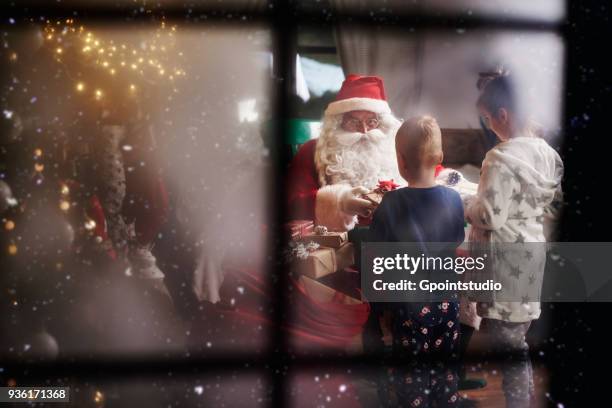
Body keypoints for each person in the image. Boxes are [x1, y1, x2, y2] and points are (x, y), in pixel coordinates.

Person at [464, 71, 564, 408]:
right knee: (516, 335)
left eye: (488, 119)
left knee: (510, 349)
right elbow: (555, 206)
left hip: (503, 264)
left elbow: (489, 215)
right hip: (530, 259)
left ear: (502, 115)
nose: (489, 125)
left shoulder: (499, 157)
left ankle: (519, 402)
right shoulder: (548, 155)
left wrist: (467, 205)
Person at [286, 74, 471, 232]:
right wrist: (341, 203)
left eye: (371, 121)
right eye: (353, 122)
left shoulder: (394, 142)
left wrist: (466, 194)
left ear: (381, 122)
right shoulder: (313, 150)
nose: (364, 131)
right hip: (345, 241)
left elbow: (432, 169)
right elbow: (293, 203)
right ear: (339, 122)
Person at [369, 116, 465, 407]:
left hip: (409, 304)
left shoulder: (391, 203)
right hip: (447, 300)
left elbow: (376, 260)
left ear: (400, 160)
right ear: (440, 157)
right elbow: (457, 238)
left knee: (412, 371)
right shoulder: (454, 199)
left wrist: (380, 308)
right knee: (445, 365)